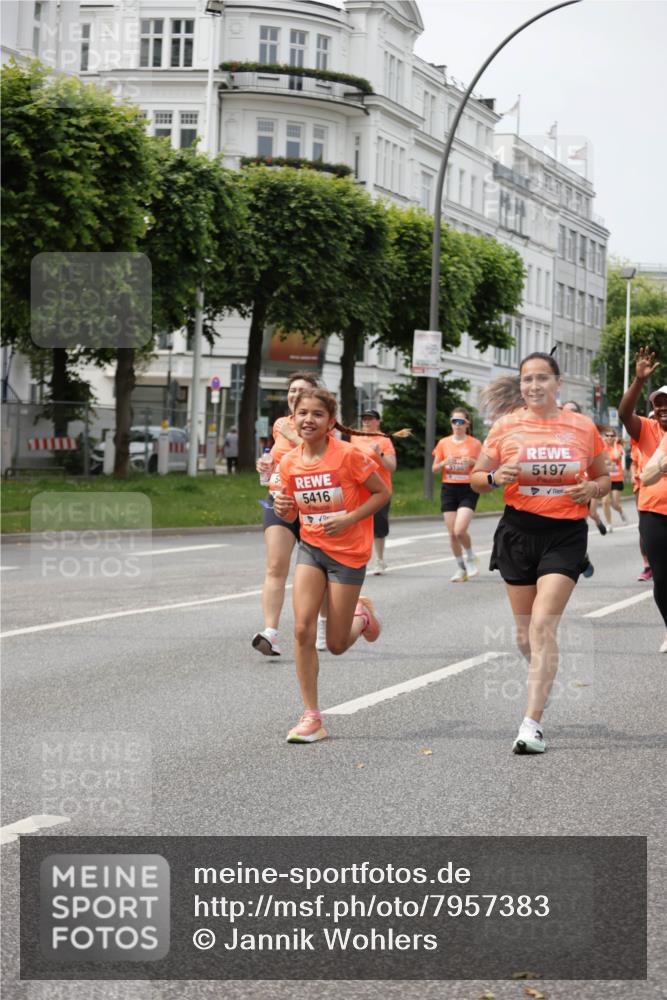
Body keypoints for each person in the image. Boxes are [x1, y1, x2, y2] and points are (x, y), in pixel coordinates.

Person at [471, 352, 610, 755]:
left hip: (565, 534)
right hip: (518, 532)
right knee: (524, 634)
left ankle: (531, 725)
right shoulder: (506, 426)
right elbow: (476, 479)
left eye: (542, 378)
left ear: (557, 383)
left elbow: (604, 476)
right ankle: (543, 673)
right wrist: (495, 476)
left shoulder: (582, 427)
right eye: (527, 379)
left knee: (542, 626)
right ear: (521, 385)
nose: (534, 386)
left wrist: (593, 488)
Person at [273, 387, 390, 743]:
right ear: (293, 418)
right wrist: (283, 509)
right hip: (312, 548)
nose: (308, 420)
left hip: (348, 553)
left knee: (337, 644)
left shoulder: (349, 456)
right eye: (302, 413)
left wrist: (349, 519)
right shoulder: (289, 462)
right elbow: (291, 511)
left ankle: (362, 617)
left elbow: (382, 493)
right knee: (302, 629)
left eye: (317, 414)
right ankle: (312, 716)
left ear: (330, 422)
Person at [252, 371, 319, 657]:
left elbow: (315, 453)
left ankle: (322, 625)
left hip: (314, 503)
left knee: (318, 570)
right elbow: (281, 461)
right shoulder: (280, 423)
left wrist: (293, 435)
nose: (295, 395)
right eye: (292, 390)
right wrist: (266, 467)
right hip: (279, 499)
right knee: (275, 566)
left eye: (302, 390)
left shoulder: (322, 422)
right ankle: (271, 632)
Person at [618, 348, 667, 653]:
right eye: (658, 404)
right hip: (653, 514)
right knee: (662, 579)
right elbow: (625, 414)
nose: (662, 409)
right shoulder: (647, 429)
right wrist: (638, 381)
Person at [431, 408, 482, 582]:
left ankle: (471, 557)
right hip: (449, 488)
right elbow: (434, 469)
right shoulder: (443, 443)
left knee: (460, 530)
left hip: (468, 488)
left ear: (467, 424)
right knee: (452, 534)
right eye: (454, 421)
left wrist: (472, 462)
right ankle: (461, 568)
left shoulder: (475, 444)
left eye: (461, 422)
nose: (457, 425)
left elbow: (484, 466)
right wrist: (444, 462)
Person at [350, 409, 397, 575]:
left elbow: (392, 467)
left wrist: (379, 453)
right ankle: (357, 559)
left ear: (378, 421)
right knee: (357, 523)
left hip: (380, 489)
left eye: (370, 419)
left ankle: (379, 560)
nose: (367, 422)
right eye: (364, 419)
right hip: (359, 488)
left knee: (378, 524)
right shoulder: (354, 437)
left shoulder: (384, 440)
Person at [630, 437, 652, 581]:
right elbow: (634, 463)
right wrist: (633, 474)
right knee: (644, 527)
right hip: (642, 487)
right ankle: (647, 566)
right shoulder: (638, 442)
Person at [600, 427, 627, 531]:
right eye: (607, 435)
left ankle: (621, 511)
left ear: (615, 437)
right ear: (604, 437)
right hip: (605, 479)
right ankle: (609, 524)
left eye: (612, 436)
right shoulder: (601, 448)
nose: (610, 438)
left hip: (616, 479)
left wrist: (615, 444)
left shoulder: (619, 447)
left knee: (615, 504)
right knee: (605, 501)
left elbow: (616, 456)